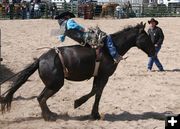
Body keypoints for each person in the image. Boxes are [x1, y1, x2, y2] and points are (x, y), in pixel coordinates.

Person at [56, 11, 122, 63]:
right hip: (86, 37)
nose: (70, 17)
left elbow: (61, 39)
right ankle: (115, 55)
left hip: (82, 41)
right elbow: (75, 26)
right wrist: (84, 29)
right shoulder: (69, 21)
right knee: (106, 37)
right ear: (66, 16)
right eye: (69, 16)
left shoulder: (62, 28)